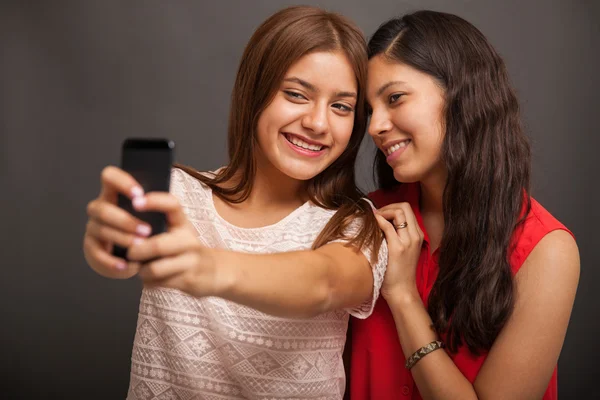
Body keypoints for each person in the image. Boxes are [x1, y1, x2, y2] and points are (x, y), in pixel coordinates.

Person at [82, 6, 387, 400]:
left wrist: (208, 268)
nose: (318, 122)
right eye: (296, 94)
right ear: (254, 91)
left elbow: (325, 283)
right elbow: (119, 257)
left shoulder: (356, 223)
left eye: (341, 106)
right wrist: (106, 247)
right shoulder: (175, 195)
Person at [350, 10, 580, 400]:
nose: (374, 127)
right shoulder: (366, 219)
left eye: (395, 98)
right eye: (370, 111)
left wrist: (403, 296)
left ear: (461, 94)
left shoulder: (546, 251)